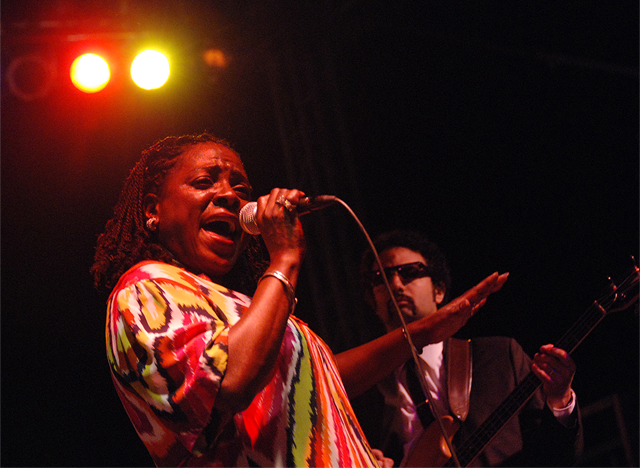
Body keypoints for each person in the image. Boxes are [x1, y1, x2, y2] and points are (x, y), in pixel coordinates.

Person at [91, 134, 507, 467]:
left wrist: (419, 333)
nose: (231, 196)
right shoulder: (145, 289)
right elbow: (226, 381)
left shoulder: (243, 304)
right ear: (152, 210)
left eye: (240, 187)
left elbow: (318, 381)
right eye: (204, 182)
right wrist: (286, 259)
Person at [350, 229, 583, 467]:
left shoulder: (499, 357)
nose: (395, 284)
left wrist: (559, 401)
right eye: (381, 278)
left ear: (438, 291)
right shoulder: (362, 395)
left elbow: (558, 458)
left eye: (409, 272)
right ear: (374, 304)